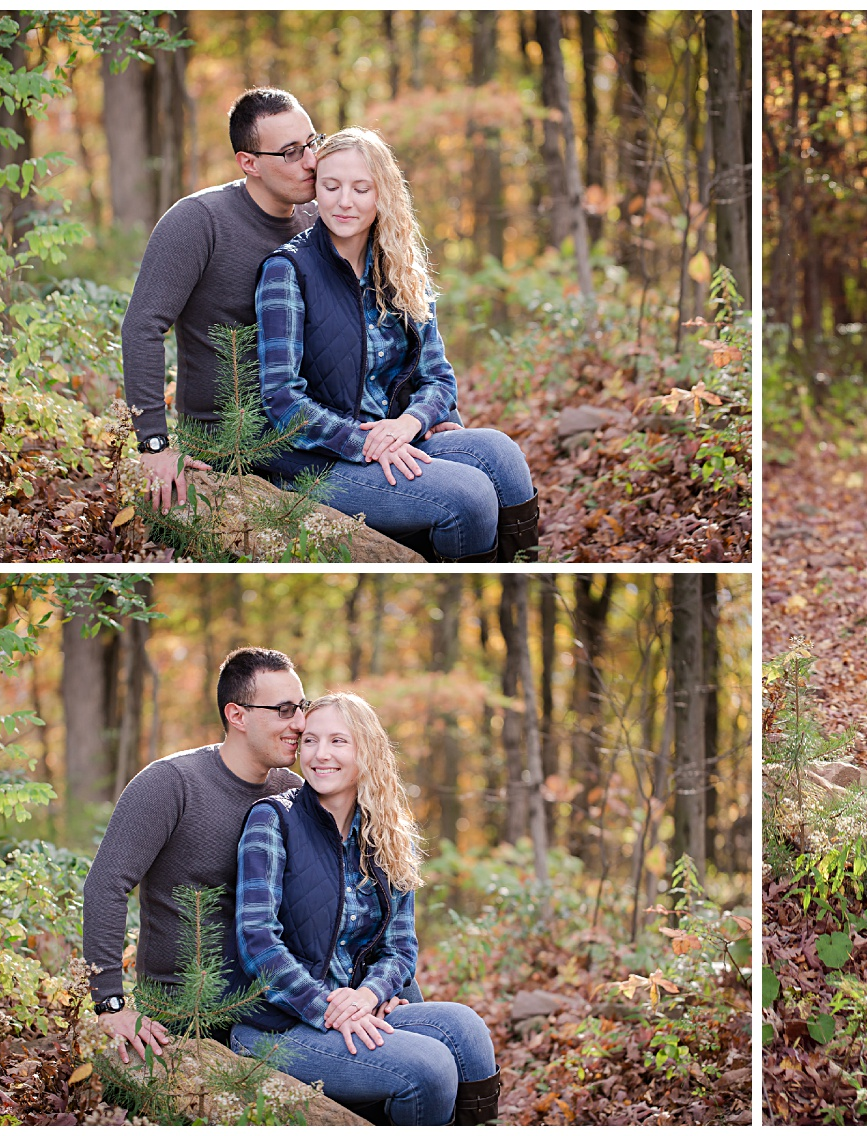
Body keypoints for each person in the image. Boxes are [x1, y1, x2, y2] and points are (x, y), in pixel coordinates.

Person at [253, 127, 538, 562]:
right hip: (318, 460)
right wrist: (363, 442)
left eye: (360, 188)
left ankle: (521, 573)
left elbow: (438, 377)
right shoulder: (287, 270)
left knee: (502, 454)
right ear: (316, 190)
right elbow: (280, 398)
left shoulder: (399, 267)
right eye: (331, 186)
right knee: (470, 496)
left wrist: (409, 424)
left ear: (382, 193)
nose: (343, 201)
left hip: (394, 436)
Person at [230, 692, 500, 1124]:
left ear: (366, 751)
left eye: (339, 741)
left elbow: (400, 947)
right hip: (277, 1024)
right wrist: (329, 1009)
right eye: (311, 741)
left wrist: (370, 993)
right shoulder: (272, 821)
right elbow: (257, 941)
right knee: (429, 1068)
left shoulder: (389, 835)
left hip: (355, 1007)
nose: (321, 755)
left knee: (466, 1029)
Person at [82, 648, 309, 1063]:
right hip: (183, 1011)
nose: (299, 722)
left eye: (301, 707)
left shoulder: (290, 789)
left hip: (272, 1000)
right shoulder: (170, 784)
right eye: (283, 709)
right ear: (237, 715)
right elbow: (106, 885)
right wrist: (109, 1003)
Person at [121, 89, 321, 513]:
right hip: (224, 446)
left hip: (312, 432)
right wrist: (154, 444)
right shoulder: (198, 222)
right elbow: (143, 326)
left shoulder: (321, 219)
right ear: (249, 162)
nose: (310, 161)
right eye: (290, 152)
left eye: (311, 143)